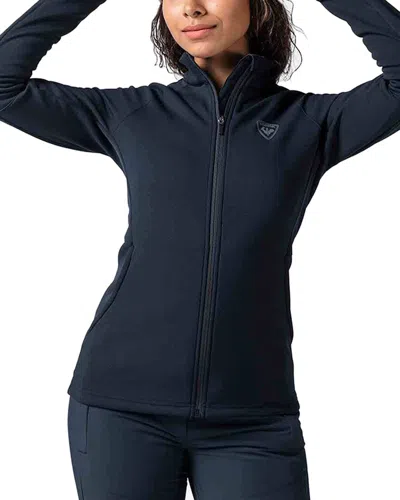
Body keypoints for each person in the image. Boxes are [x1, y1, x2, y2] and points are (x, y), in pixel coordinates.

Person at [1, 0, 399, 499]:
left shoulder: (310, 122)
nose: (191, 8)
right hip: (120, 408)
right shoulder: (133, 114)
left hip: (252, 416)